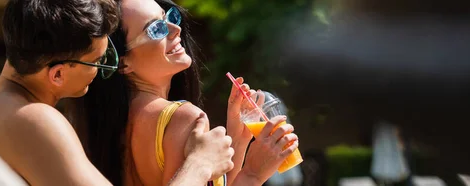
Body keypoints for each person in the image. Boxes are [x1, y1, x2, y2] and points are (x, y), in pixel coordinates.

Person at [0, 0, 235, 185]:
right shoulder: (34, 120)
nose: (100, 72)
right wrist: (199, 164)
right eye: (98, 62)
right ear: (58, 74)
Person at [67, 0, 300, 185]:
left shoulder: (113, 122)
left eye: (169, 16)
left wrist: (238, 139)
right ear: (124, 62)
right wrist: (253, 173)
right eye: (156, 29)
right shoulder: (183, 118)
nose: (175, 29)